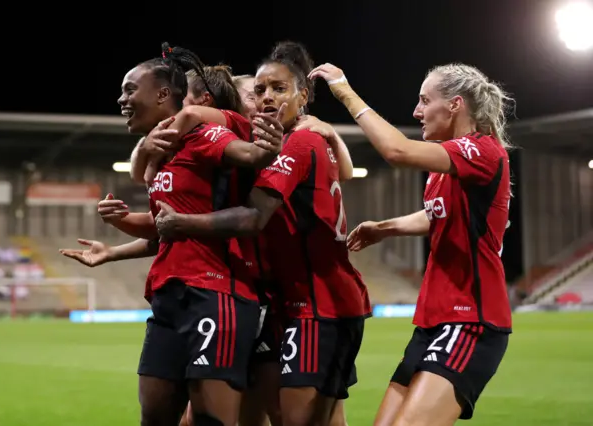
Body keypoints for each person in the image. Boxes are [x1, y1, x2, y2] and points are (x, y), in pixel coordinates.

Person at [63, 42, 286, 426]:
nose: (122, 99)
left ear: (164, 95)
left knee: (210, 420)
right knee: (154, 415)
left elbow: (248, 155)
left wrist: (267, 148)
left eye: (130, 89)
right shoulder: (163, 156)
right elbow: (164, 227)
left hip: (214, 293)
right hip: (168, 297)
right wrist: (119, 229)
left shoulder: (201, 134)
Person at [152, 41, 370, 426]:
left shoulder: (296, 143)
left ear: (302, 96)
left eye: (277, 89)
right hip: (282, 302)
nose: (265, 99)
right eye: (258, 92)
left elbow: (252, 216)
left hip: (315, 305)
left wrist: (182, 221)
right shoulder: (279, 143)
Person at [310, 62, 513, 425]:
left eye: (424, 101)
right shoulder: (444, 167)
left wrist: (344, 91)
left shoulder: (482, 150)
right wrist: (384, 228)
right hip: (434, 322)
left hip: (470, 321)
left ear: (454, 104)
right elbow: (435, 215)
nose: (416, 112)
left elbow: (397, 152)